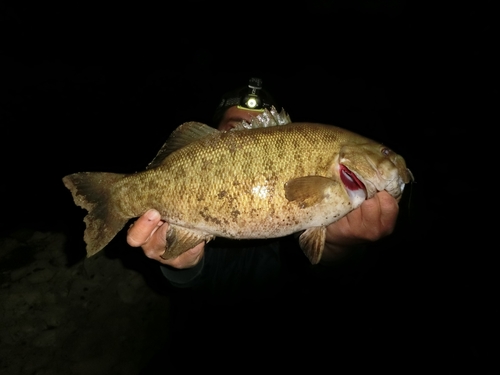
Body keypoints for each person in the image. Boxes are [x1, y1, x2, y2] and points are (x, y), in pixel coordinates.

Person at [129, 78, 401, 374]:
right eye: (235, 130)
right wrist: (181, 265)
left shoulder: (295, 239)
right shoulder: (194, 185)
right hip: (199, 348)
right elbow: (205, 280)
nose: (249, 139)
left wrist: (339, 247)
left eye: (261, 131)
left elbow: (318, 282)